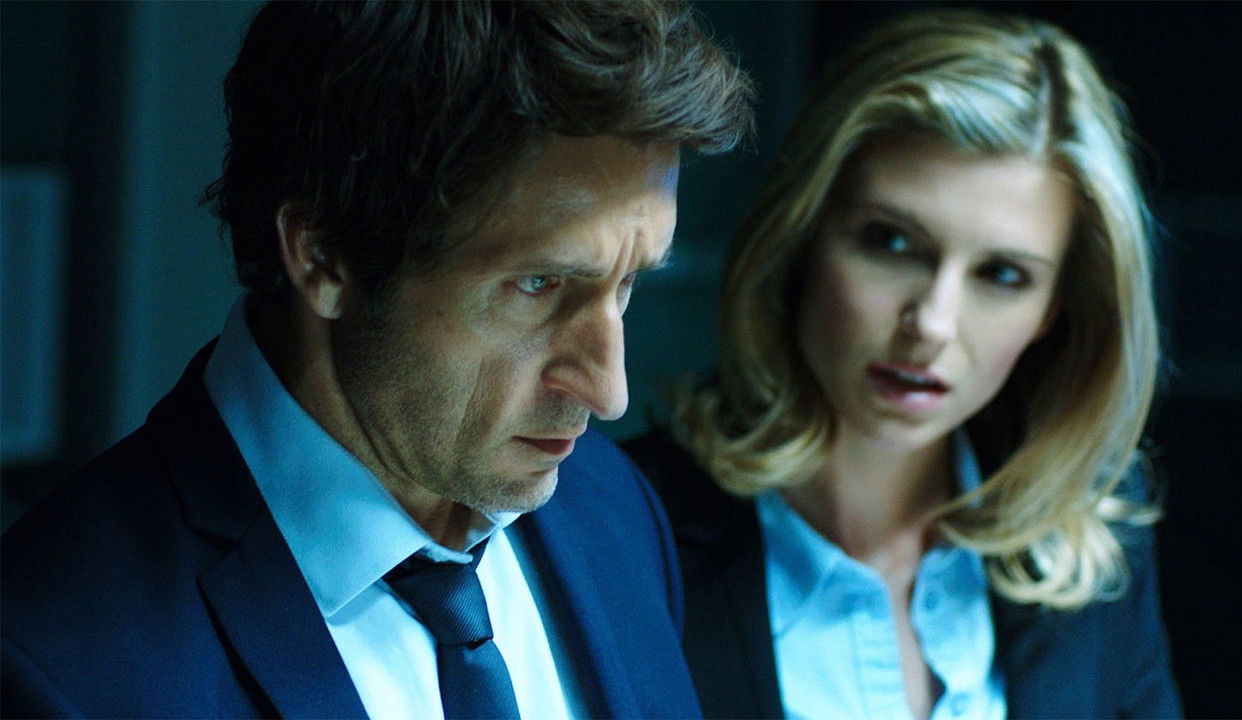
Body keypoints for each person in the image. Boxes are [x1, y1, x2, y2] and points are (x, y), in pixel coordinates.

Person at [0, 2, 753, 717]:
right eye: (538, 285)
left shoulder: (614, 509)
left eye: (628, 283)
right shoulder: (56, 666)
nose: (609, 393)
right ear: (325, 255)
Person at [625, 8, 1181, 719]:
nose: (932, 325)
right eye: (891, 242)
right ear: (804, 229)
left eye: (1002, 275)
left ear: (1055, 310)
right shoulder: (626, 531)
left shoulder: (1091, 537)